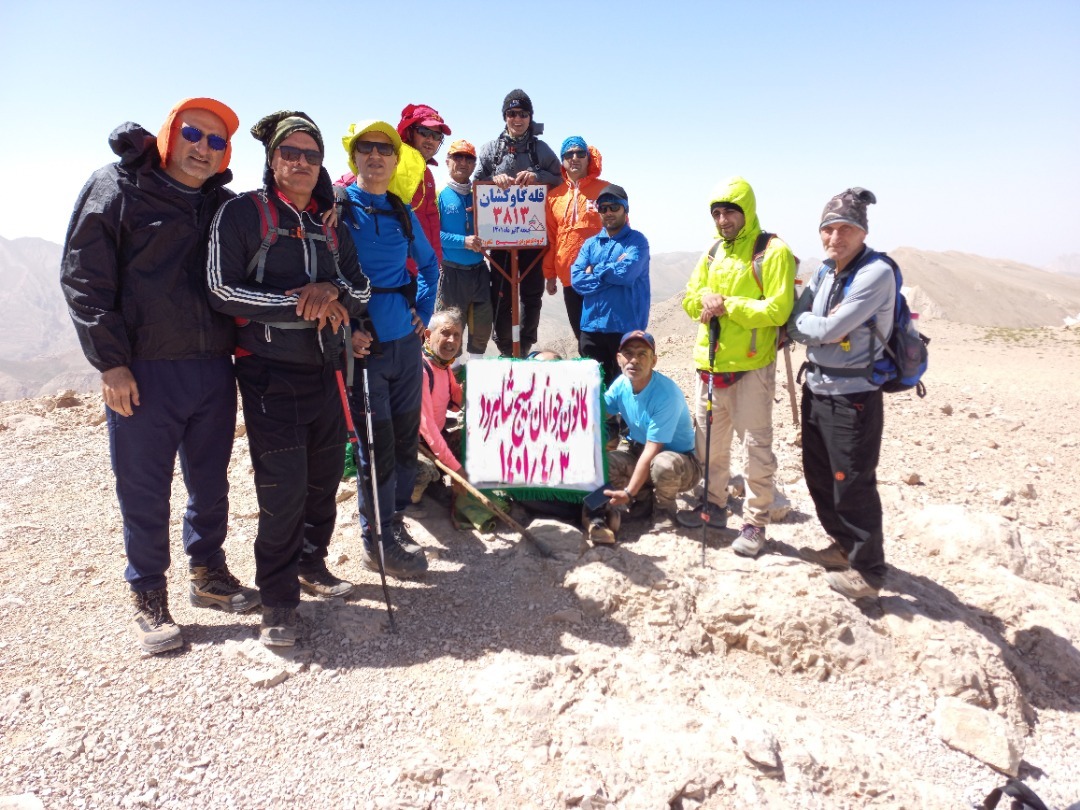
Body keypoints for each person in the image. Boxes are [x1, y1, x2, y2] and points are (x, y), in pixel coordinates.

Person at [61, 97, 257, 655]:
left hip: (213, 367)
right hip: (142, 369)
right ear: (172, 134)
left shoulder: (222, 204)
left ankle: (208, 573)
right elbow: (83, 277)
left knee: (210, 480)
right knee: (144, 488)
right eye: (195, 133)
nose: (204, 148)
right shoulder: (117, 188)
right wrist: (111, 362)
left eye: (217, 142)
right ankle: (148, 591)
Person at [207, 110, 373, 646]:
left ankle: (311, 563)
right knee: (283, 488)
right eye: (291, 153)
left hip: (326, 371)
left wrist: (334, 294)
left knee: (324, 479)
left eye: (311, 155)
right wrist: (299, 301)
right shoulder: (241, 215)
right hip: (266, 373)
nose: (301, 163)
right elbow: (220, 290)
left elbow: (362, 288)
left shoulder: (328, 225)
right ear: (272, 159)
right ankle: (277, 600)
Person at [339, 120, 440, 579]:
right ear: (355, 157)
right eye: (367, 148)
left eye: (385, 149)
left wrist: (421, 309)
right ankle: (374, 537)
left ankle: (394, 523)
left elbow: (430, 263)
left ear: (395, 160)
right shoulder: (338, 209)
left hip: (404, 343)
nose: (376, 155)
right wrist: (345, 329)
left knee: (401, 440)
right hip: (364, 346)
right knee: (373, 445)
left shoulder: (401, 210)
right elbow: (323, 271)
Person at [680, 177, 796, 557]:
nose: (722, 219)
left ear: (747, 210)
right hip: (710, 365)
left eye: (729, 211)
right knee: (709, 445)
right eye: (716, 213)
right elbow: (690, 299)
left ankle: (755, 521)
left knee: (755, 448)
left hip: (751, 368)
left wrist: (728, 304)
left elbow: (778, 309)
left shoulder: (772, 251)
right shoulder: (714, 252)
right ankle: (712, 504)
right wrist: (705, 301)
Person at [787, 188, 892, 601]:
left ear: (862, 232)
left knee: (852, 482)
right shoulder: (825, 271)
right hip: (818, 384)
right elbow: (799, 321)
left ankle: (870, 571)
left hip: (854, 396)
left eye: (845, 229)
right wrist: (816, 325)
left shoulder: (875, 273)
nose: (835, 237)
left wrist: (817, 326)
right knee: (818, 475)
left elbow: (826, 329)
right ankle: (843, 545)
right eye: (828, 229)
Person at [473, 89, 561, 357]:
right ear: (505, 117)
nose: (517, 119)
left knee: (532, 294)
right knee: (500, 292)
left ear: (530, 116)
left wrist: (536, 175)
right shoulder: (491, 150)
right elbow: (476, 183)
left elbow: (559, 179)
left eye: (523, 114)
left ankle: (524, 344)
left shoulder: (541, 150)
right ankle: (504, 346)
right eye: (512, 114)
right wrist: (493, 181)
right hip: (499, 236)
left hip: (533, 235)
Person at [599, 331, 700, 534]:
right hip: (640, 451)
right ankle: (643, 501)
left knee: (662, 464)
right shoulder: (621, 384)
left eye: (642, 354)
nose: (634, 360)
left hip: (681, 464)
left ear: (654, 360)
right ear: (619, 359)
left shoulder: (665, 395)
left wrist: (629, 491)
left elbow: (653, 450)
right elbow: (599, 414)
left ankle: (664, 510)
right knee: (606, 463)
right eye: (628, 353)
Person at [570, 183, 650, 391]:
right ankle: (599, 425)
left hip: (624, 328)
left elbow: (627, 273)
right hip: (591, 329)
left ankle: (622, 425)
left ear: (625, 209)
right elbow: (577, 279)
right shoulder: (590, 244)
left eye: (614, 207)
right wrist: (609, 272)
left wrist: (593, 269)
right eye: (603, 208)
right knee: (593, 390)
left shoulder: (637, 242)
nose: (608, 212)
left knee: (626, 389)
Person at [543, 137, 605, 340]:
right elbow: (553, 239)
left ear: (589, 158)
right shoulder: (554, 197)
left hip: (602, 279)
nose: (575, 158)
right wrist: (550, 275)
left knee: (606, 338)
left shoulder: (606, 191)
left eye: (580, 153)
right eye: (569, 154)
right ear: (562, 161)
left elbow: (622, 233)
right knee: (582, 339)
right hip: (570, 280)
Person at [437, 140, 492, 360]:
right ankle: (452, 372)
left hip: (479, 270)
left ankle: (475, 371)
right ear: (447, 161)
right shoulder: (439, 195)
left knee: (482, 323)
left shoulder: (482, 193)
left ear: (474, 164)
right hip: (451, 272)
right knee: (450, 325)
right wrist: (463, 241)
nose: (463, 162)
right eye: (457, 157)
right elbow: (432, 235)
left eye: (468, 158)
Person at [413, 308, 465, 503]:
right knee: (424, 471)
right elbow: (427, 427)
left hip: (434, 437)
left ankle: (436, 482)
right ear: (428, 335)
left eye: (457, 335)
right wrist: (457, 471)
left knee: (467, 441)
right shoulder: (422, 369)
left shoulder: (444, 366)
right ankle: (410, 498)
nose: (451, 340)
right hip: (414, 443)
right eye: (445, 333)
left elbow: (454, 405)